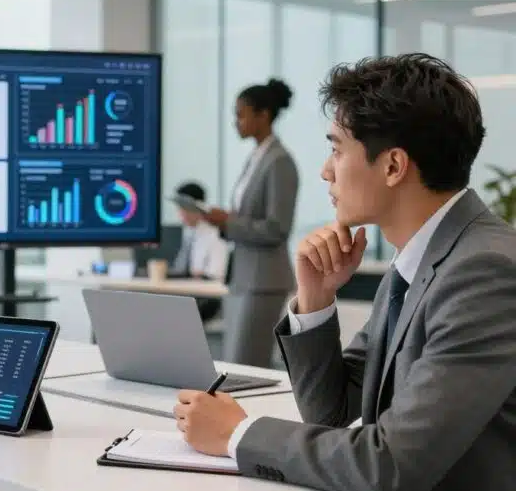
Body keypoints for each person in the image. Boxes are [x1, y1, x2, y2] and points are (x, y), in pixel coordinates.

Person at [175, 53, 516, 490]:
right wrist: (316, 299)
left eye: (336, 149)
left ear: (393, 166)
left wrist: (236, 434)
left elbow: (392, 465)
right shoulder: (423, 258)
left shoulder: (483, 274)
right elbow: (331, 414)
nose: (325, 170)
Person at [203, 78, 298, 368]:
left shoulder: (279, 161)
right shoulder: (257, 157)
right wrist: (224, 221)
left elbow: (276, 228)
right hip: (243, 276)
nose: (236, 122)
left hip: (264, 280)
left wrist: (229, 222)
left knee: (247, 364)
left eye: (241, 114)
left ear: (263, 115)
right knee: (235, 362)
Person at [169, 182, 229, 280]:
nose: (182, 213)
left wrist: (194, 275)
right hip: (182, 288)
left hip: (203, 292)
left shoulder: (216, 235)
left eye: (186, 208)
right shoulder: (189, 233)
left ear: (200, 208)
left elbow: (216, 275)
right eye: (180, 208)